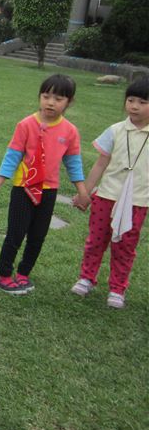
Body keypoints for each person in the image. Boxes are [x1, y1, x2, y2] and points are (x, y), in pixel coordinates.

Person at [0, 74, 89, 295]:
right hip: (23, 188)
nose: (51, 103)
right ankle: (5, 275)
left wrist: (82, 192)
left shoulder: (70, 131)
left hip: (49, 190)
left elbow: (73, 163)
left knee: (38, 236)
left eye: (58, 99)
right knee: (15, 233)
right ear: (40, 97)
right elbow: (12, 156)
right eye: (46, 96)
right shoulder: (26, 125)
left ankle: (24, 273)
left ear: (69, 102)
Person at [71, 77, 149, 309]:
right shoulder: (115, 130)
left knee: (125, 246)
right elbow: (100, 164)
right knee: (96, 240)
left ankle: (117, 288)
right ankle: (87, 278)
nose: (134, 106)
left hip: (137, 201)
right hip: (106, 196)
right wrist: (85, 193)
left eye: (142, 102)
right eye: (130, 100)